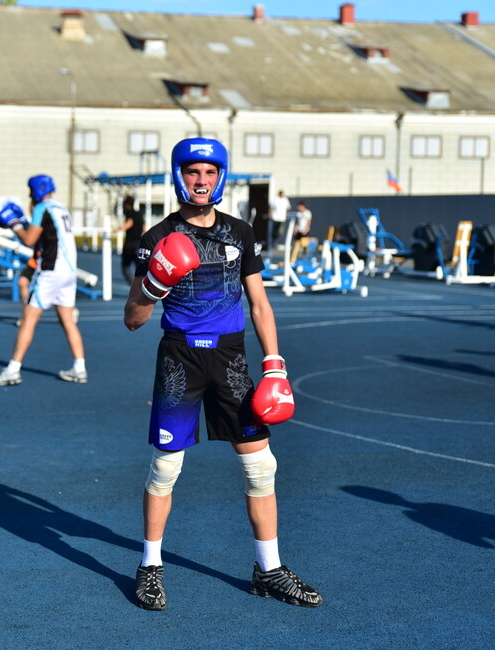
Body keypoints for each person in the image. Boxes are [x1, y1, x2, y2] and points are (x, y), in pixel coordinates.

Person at [124, 137, 322, 611]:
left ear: (221, 177)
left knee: (261, 466)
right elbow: (133, 318)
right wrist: (154, 284)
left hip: (231, 359)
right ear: (178, 176)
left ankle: (269, 570)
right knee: (166, 468)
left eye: (210, 173)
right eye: (193, 172)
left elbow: (259, 303)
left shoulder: (241, 232)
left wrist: (274, 364)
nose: (201, 180)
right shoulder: (155, 238)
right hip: (179, 359)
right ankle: (150, 567)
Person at [0, 175, 88, 386]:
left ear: (37, 190)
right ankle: (80, 368)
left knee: (28, 319)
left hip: (50, 272)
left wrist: (14, 223)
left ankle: (13, 370)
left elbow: (29, 239)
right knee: (68, 321)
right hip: (68, 272)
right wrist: (23, 222)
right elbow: (47, 235)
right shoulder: (61, 208)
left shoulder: (42, 208)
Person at [115, 195, 146, 285]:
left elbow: (129, 223)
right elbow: (144, 229)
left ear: (127, 204)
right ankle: (141, 286)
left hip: (129, 245)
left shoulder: (129, 213)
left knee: (125, 267)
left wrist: (117, 229)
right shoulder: (139, 214)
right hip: (139, 245)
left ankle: (134, 286)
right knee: (140, 267)